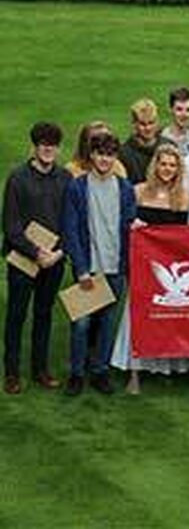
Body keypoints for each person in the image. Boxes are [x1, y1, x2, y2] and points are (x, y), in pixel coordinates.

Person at [111, 144, 189, 394]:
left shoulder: (185, 198)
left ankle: (165, 368)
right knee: (136, 318)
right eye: (163, 164)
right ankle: (134, 373)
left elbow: (188, 237)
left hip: (170, 269)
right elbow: (124, 223)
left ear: (178, 168)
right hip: (142, 266)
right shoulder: (138, 192)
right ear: (155, 165)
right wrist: (133, 226)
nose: (167, 169)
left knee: (168, 318)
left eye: (172, 165)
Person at [61, 133, 137, 397]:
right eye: (100, 153)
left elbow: (129, 225)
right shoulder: (77, 187)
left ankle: (100, 371)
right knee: (81, 324)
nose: (105, 159)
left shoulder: (125, 188)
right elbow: (70, 228)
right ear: (91, 155)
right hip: (89, 269)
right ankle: (77, 373)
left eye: (110, 154)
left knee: (107, 323)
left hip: (115, 268)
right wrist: (80, 268)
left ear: (115, 157)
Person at [3, 122, 70, 394]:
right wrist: (35, 252)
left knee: (43, 314)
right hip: (23, 258)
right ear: (34, 146)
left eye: (52, 145)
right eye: (43, 144)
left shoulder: (65, 178)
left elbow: (70, 220)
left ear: (58, 147)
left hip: (53, 259)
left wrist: (58, 252)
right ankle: (11, 373)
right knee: (16, 315)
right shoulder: (17, 178)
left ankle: (40, 369)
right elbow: (10, 226)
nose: (48, 149)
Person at [120, 98, 172, 184]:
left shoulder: (169, 146)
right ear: (134, 124)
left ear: (157, 122)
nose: (148, 128)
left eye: (151, 123)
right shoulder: (124, 153)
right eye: (142, 124)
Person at [161, 86, 189, 156]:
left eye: (188, 110)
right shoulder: (161, 138)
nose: (184, 115)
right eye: (179, 109)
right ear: (171, 109)